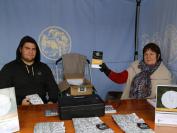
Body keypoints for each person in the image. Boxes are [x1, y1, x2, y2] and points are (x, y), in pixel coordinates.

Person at [100, 42, 172, 99]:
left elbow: (166, 97)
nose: (148, 57)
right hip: (132, 104)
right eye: (146, 54)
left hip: (152, 109)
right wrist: (106, 70)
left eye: (151, 54)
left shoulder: (165, 73)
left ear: (158, 56)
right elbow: (119, 78)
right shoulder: (135, 66)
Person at [0, 36, 59, 105]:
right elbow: (2, 93)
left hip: (41, 108)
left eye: (33, 49)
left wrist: (51, 101)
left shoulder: (44, 67)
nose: (31, 52)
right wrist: (19, 102)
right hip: (19, 109)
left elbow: (53, 88)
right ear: (20, 49)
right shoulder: (9, 68)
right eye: (27, 48)